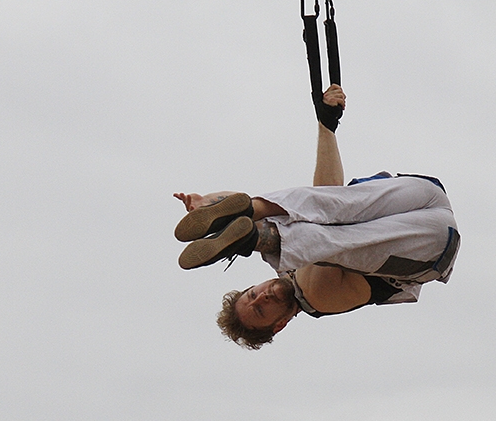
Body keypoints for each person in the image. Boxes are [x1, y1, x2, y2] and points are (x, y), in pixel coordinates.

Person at [173, 85, 459, 350]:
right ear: (280, 324)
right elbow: (328, 237)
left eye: (252, 295)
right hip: (431, 246)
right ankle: (255, 237)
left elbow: (328, 197)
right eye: (261, 309)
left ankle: (251, 213)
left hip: (424, 194)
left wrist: (327, 125)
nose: (262, 297)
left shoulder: (292, 261)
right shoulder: (320, 299)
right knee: (325, 240)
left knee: (329, 205)